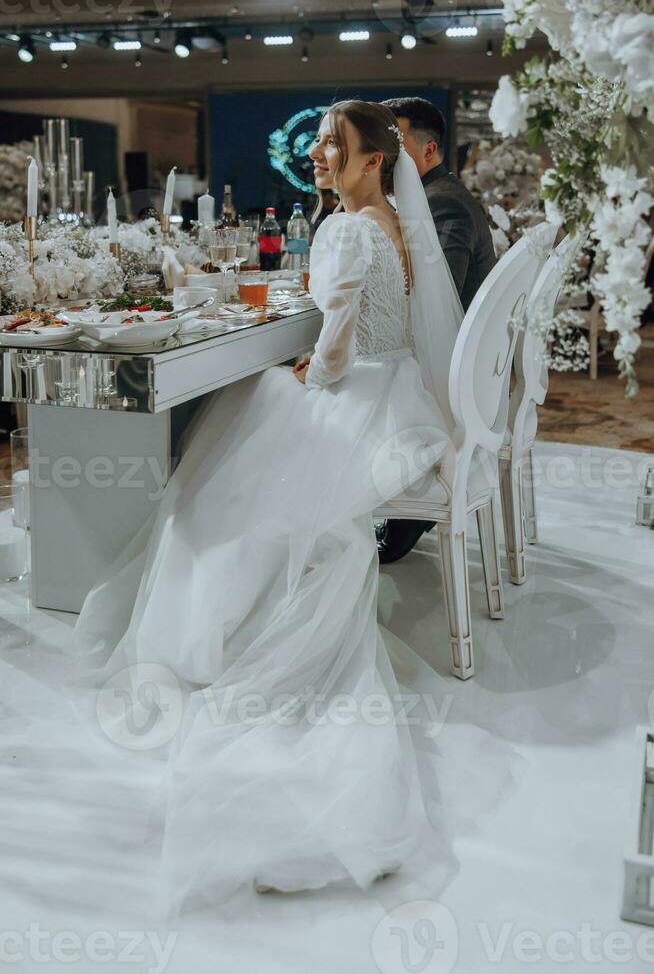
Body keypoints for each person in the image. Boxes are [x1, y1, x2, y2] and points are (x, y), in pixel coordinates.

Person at [0, 101, 513, 923]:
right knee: (247, 414)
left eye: (332, 145)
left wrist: (307, 375)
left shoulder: (346, 230)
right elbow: (381, 329)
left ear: (374, 160)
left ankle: (196, 623)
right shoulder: (390, 223)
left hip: (361, 400)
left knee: (235, 434)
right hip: (402, 399)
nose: (316, 154)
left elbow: (337, 348)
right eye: (316, 142)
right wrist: (315, 363)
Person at [376, 96, 497, 564]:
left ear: (428, 151)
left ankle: (408, 500)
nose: (386, 156)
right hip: (463, 362)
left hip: (452, 373)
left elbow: (432, 298)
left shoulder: (441, 203)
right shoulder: (429, 197)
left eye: (396, 144)